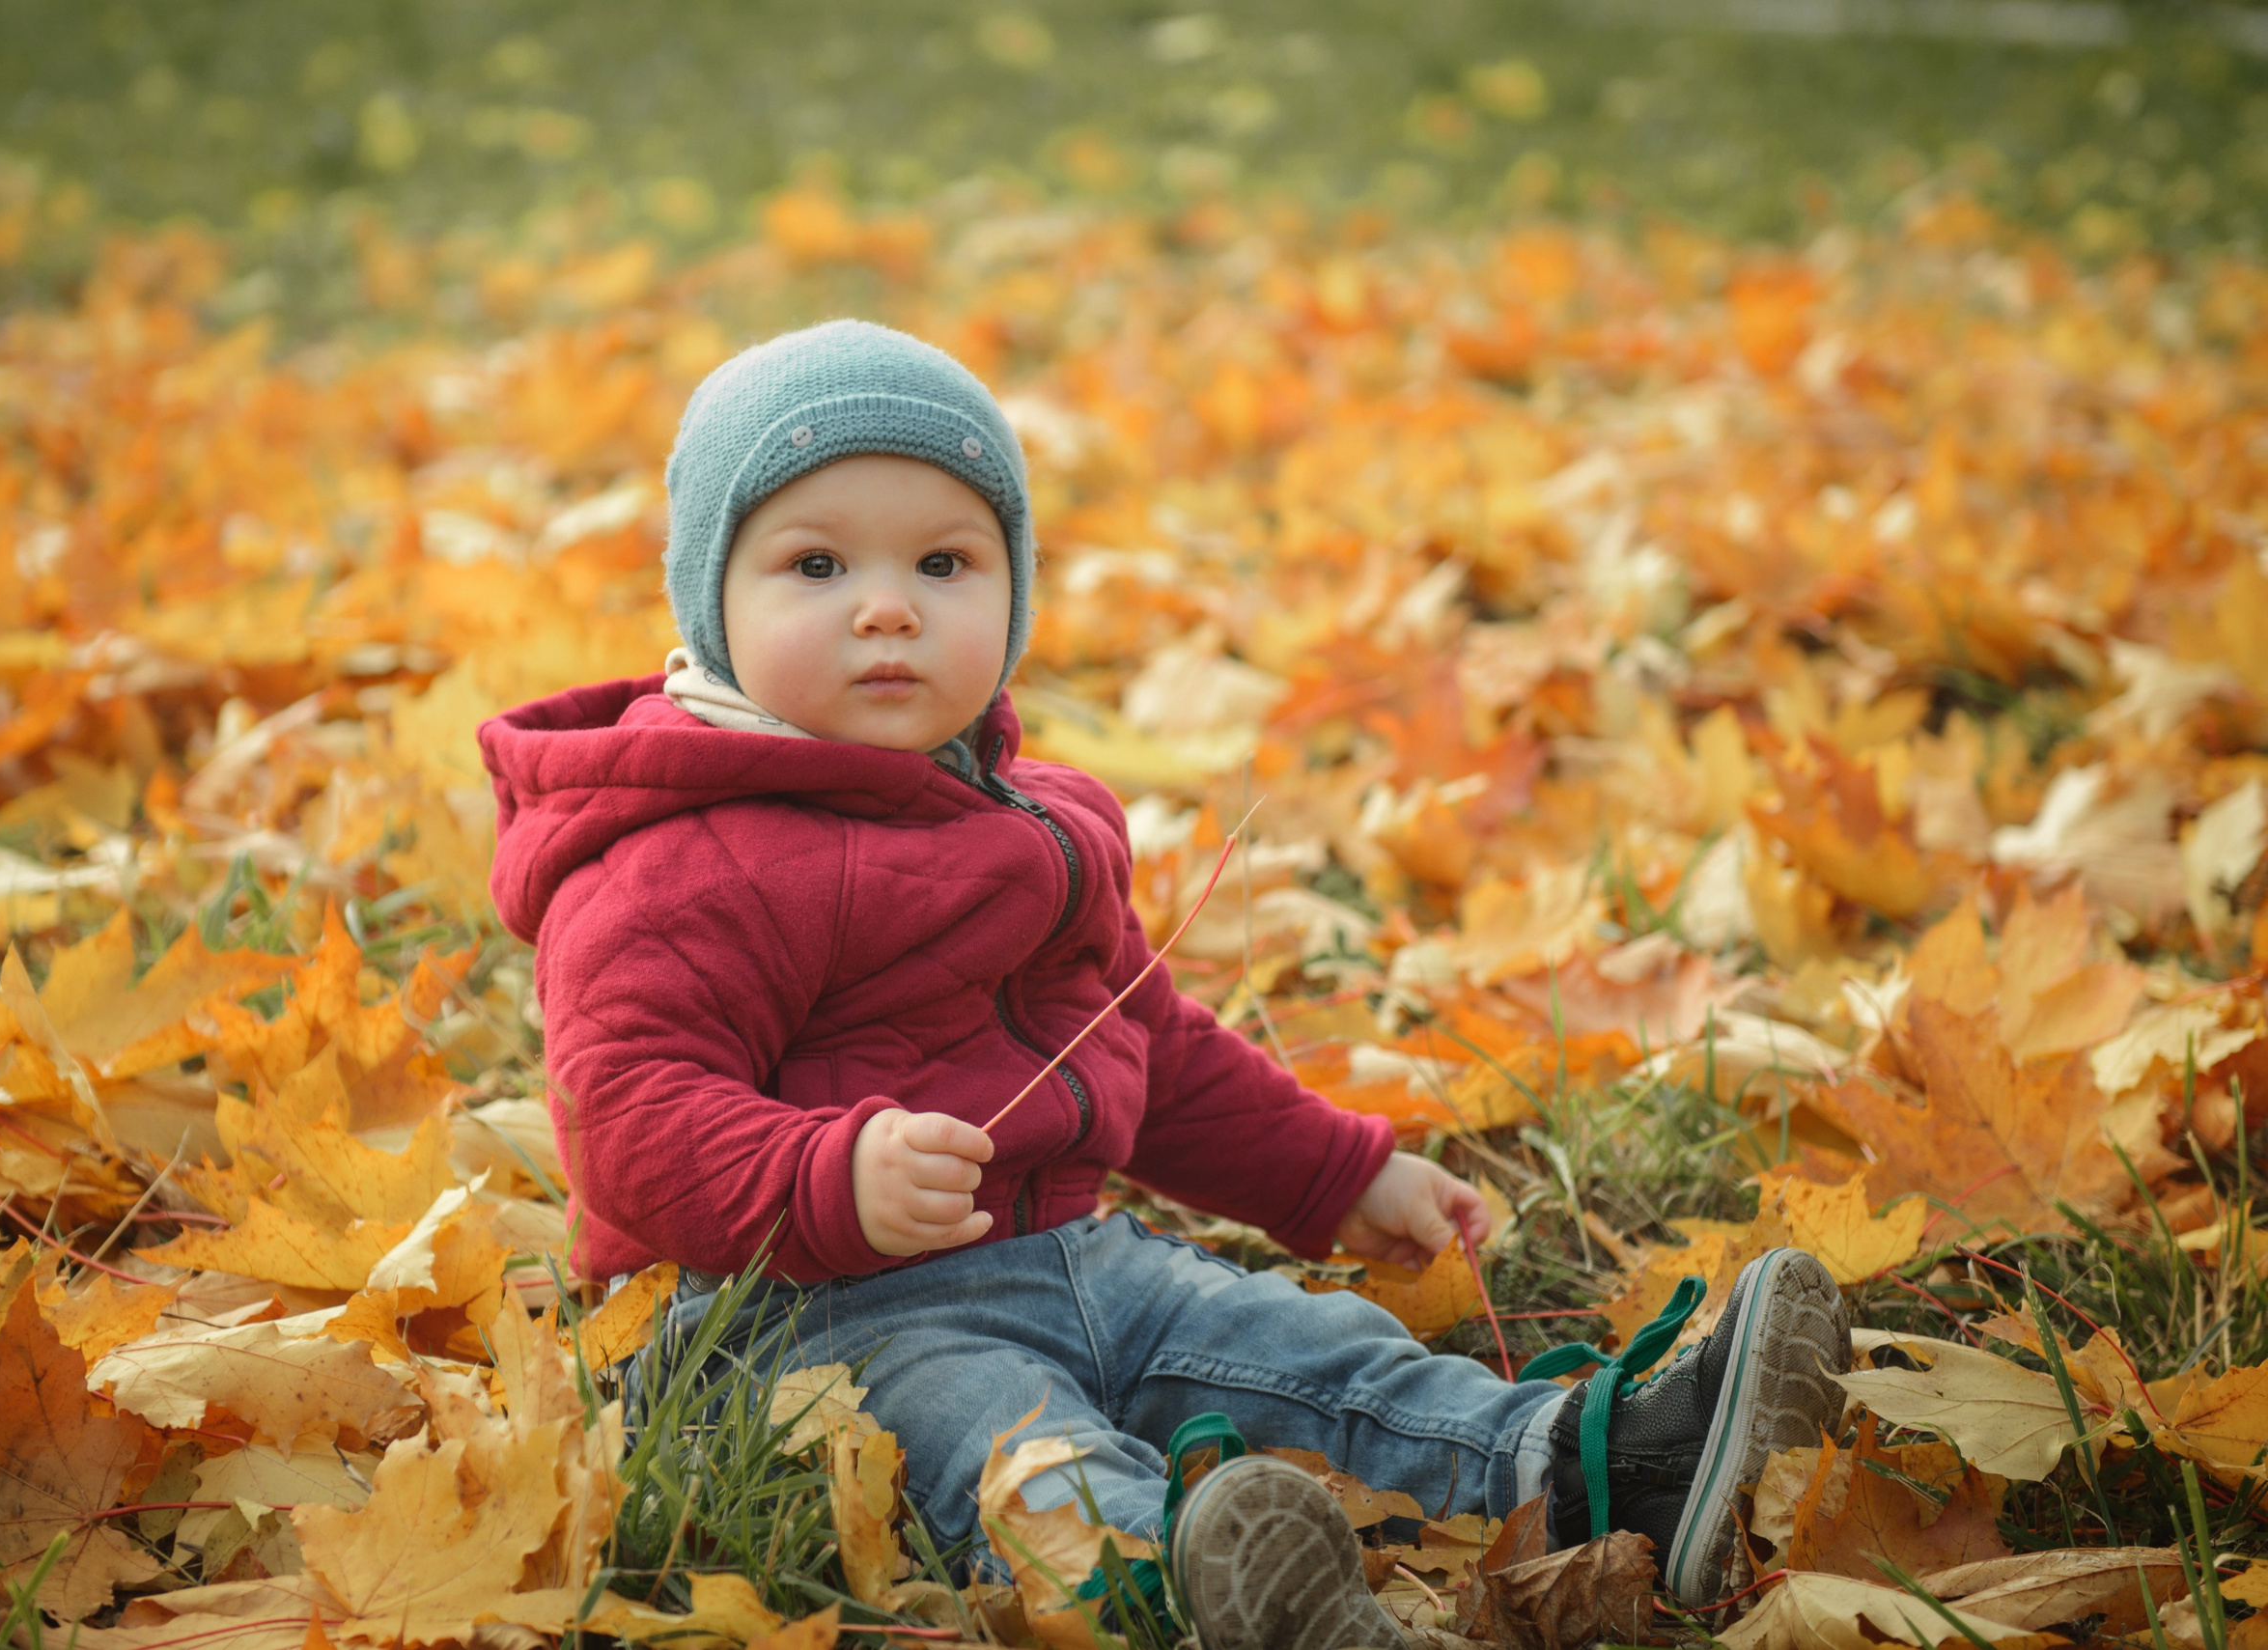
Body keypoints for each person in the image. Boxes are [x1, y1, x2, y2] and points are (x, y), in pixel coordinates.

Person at [478, 320, 1853, 1650]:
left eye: (946, 563)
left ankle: (1600, 1465)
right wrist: (827, 1174)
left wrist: (1332, 1174)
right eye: (818, 562)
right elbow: (627, 1112)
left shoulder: (1027, 819)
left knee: (1300, 1348)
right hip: (804, 1323)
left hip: (1076, 1257)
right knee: (1019, 1452)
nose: (887, 606)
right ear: (710, 602)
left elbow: (1152, 1045)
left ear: (1011, 594)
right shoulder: (676, 851)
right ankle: (1184, 1596)